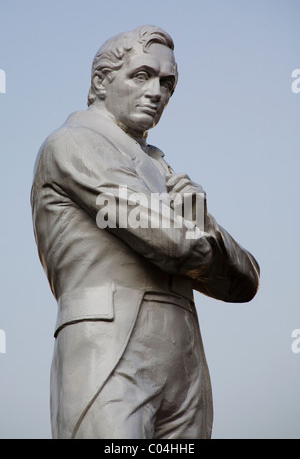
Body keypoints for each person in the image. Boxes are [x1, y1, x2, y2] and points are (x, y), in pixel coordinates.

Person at [31, 25, 260, 439]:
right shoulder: (73, 143)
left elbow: (246, 281)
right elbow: (169, 241)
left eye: (167, 83)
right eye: (142, 75)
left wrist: (202, 224)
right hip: (108, 350)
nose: (157, 92)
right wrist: (195, 228)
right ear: (101, 82)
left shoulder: (164, 169)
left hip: (185, 362)